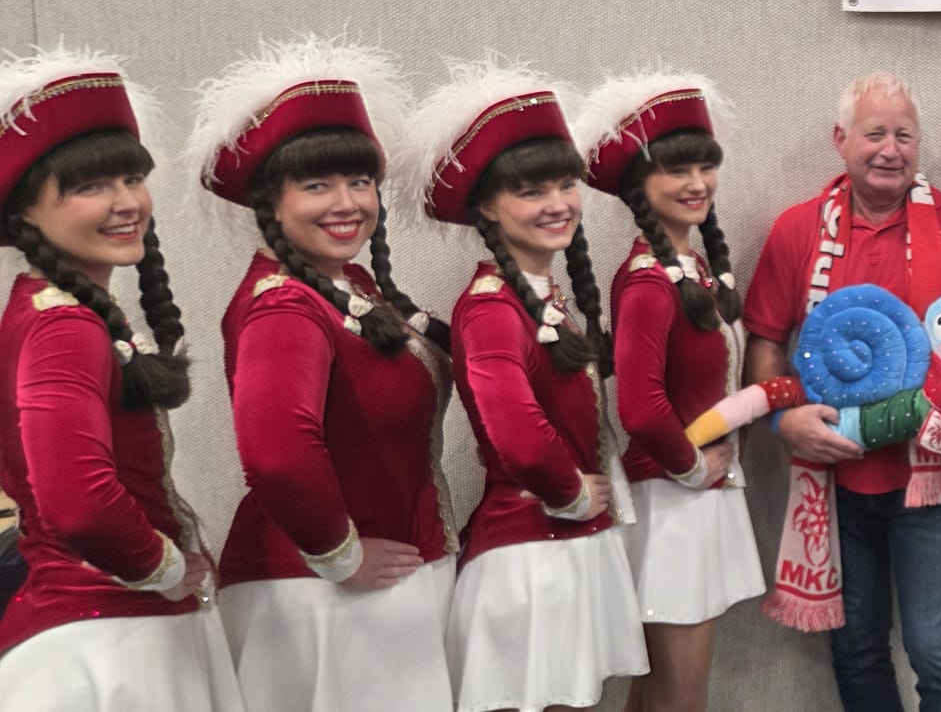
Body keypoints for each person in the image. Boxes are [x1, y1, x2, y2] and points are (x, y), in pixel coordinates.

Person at [187, 38, 456, 711]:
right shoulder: (284, 305)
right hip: (323, 599)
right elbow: (277, 453)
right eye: (316, 186)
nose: (347, 202)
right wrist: (342, 555)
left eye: (359, 181)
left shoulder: (347, 286)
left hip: (375, 590)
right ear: (270, 203)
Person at [742, 71, 941, 712]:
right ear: (840, 139)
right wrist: (785, 421)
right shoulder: (797, 229)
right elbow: (765, 344)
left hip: (930, 477)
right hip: (832, 477)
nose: (890, 150)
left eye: (904, 136)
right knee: (857, 650)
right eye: (875, 134)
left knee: (938, 652)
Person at [0, 48, 244, 711]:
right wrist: (165, 570)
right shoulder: (63, 326)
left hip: (115, 629)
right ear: (26, 213)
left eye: (133, 178)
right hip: (105, 643)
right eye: (90, 187)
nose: (127, 202)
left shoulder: (54, 310)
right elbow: (78, 502)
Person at [402, 61, 645, 712]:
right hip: (529, 557)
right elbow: (515, 430)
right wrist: (572, 492)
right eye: (532, 191)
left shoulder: (539, 296)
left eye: (566, 184)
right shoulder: (490, 308)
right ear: (486, 206)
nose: (558, 203)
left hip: (562, 550)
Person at [576, 71, 769, 712]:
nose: (697, 183)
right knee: (679, 696)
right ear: (640, 187)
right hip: (672, 506)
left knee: (659, 691)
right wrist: (692, 466)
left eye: (705, 167)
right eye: (676, 170)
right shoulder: (646, 282)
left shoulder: (694, 270)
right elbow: (640, 406)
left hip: (697, 501)